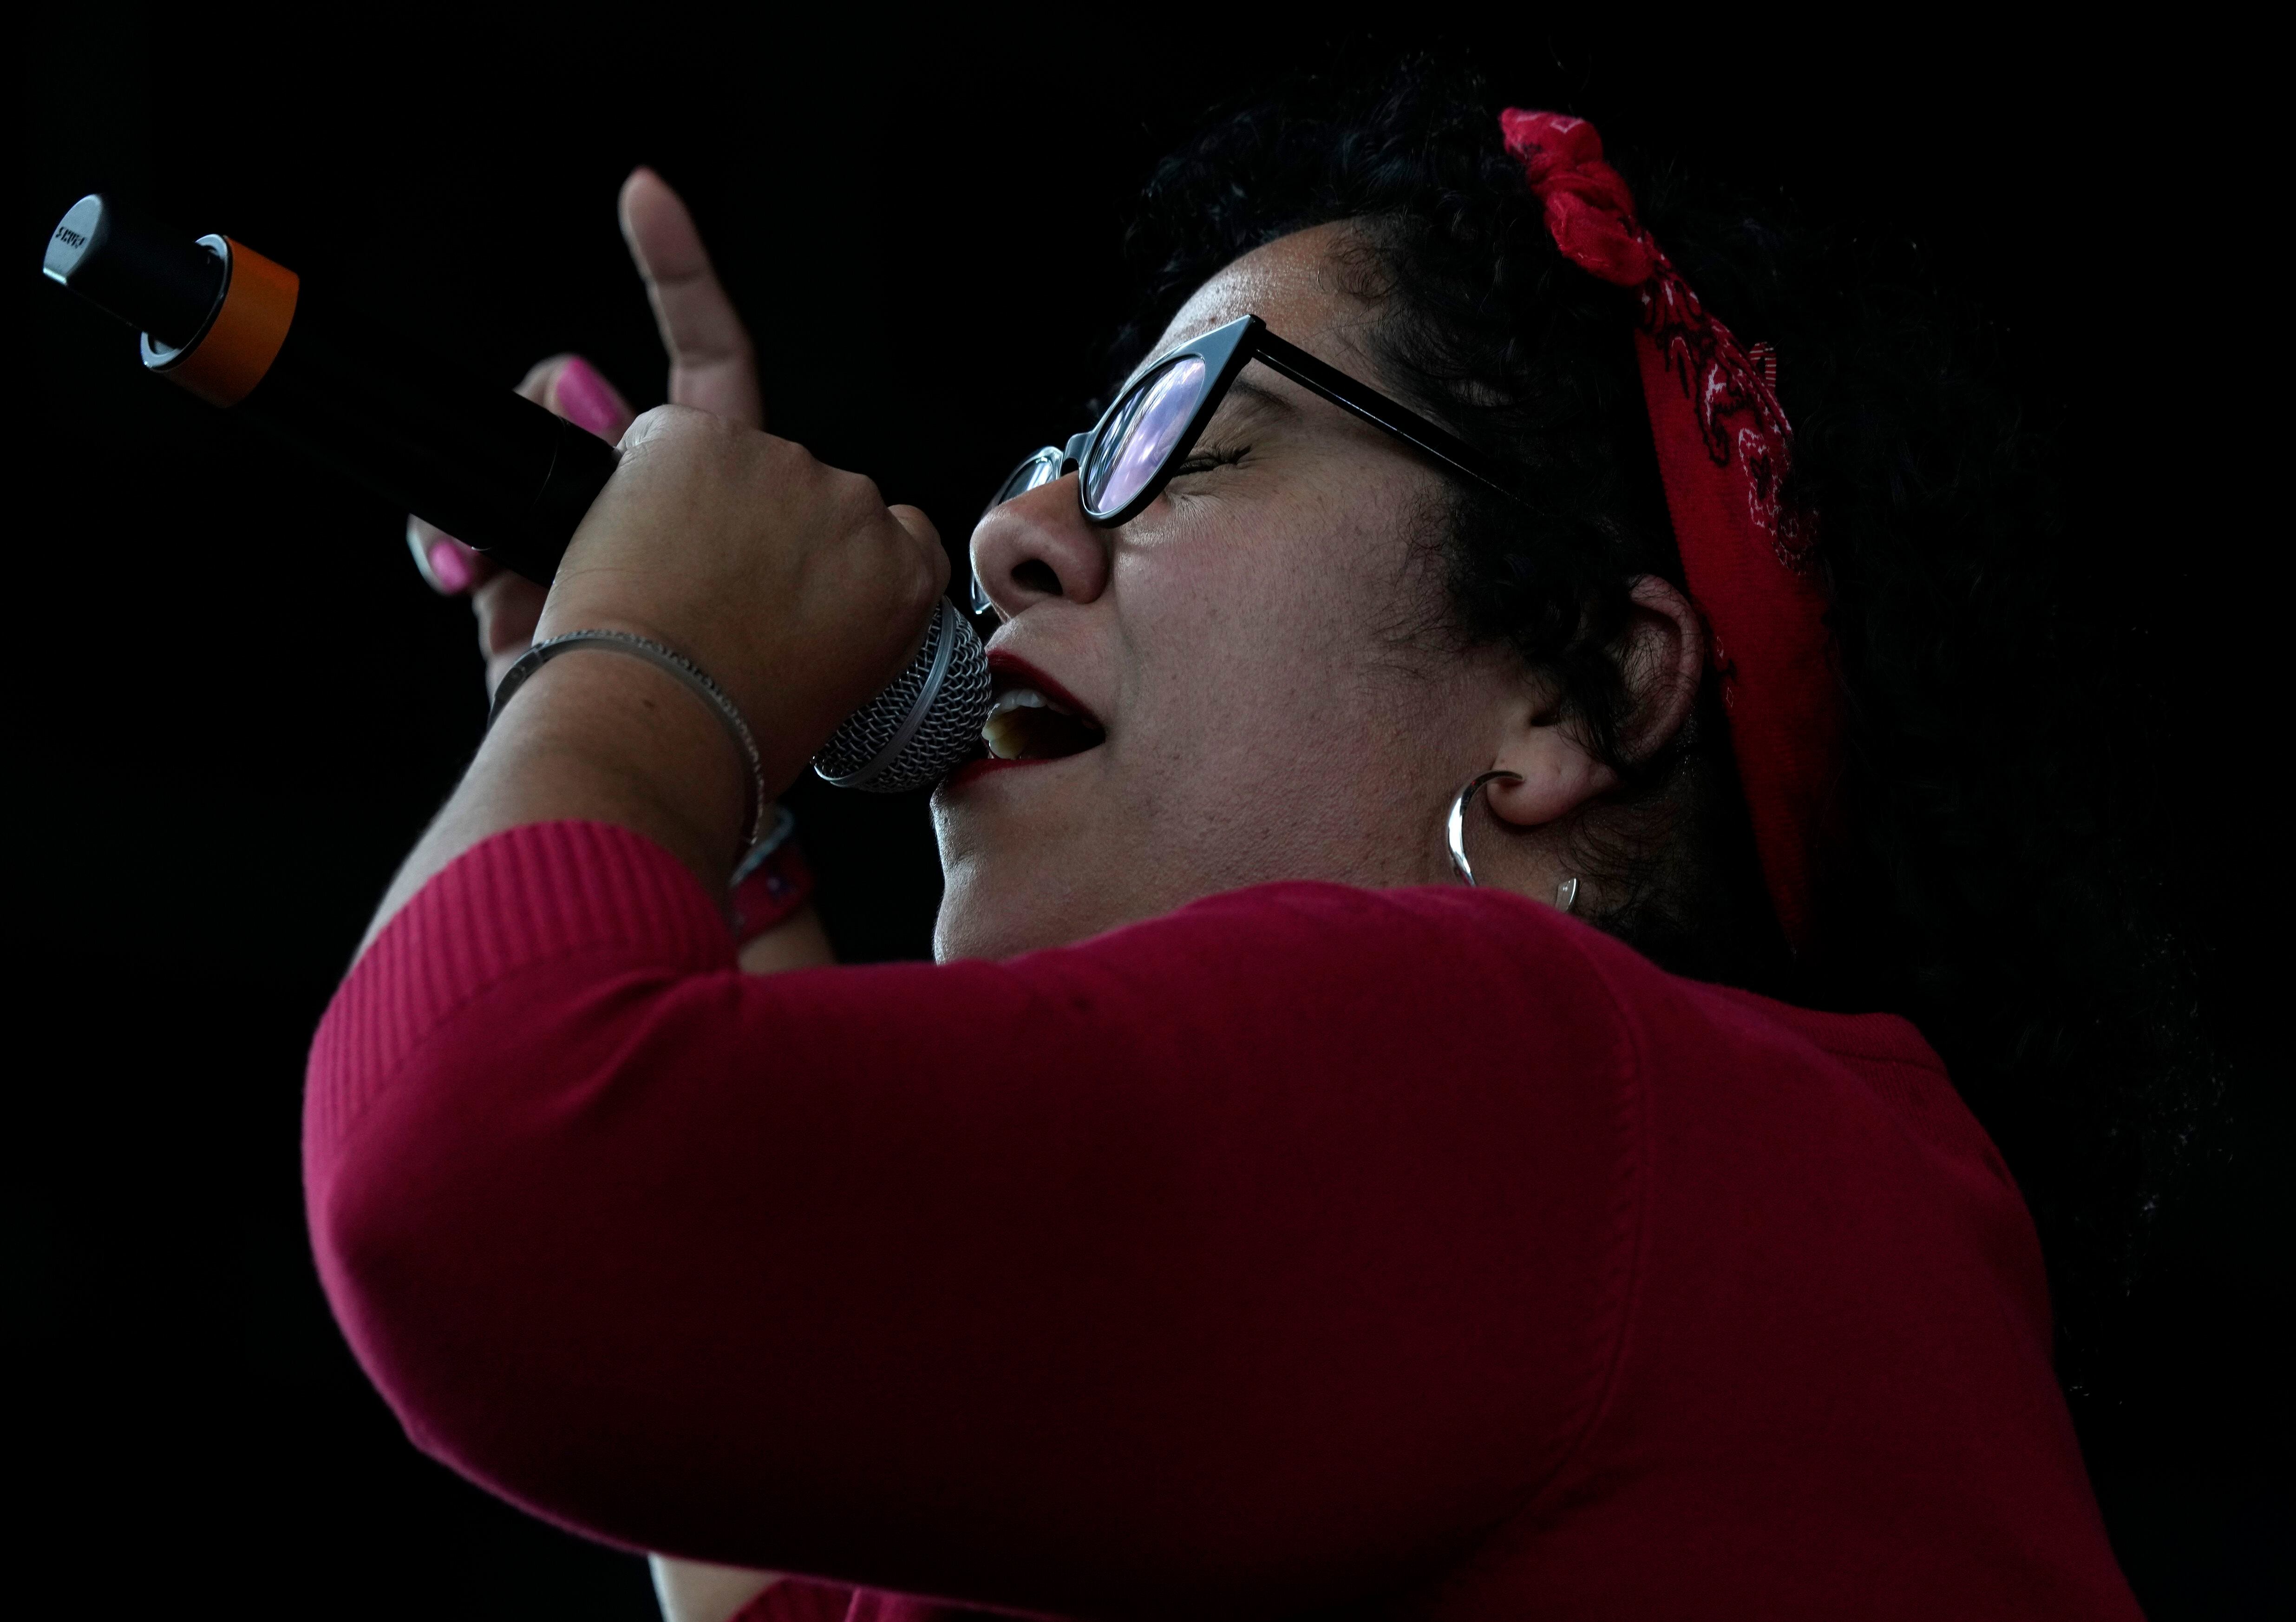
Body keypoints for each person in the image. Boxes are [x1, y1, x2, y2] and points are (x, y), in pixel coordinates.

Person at [317, 65, 2181, 1621]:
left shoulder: (1545, 1082)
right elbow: (783, 1564)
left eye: (1176, 445)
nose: (1012, 533)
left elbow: (471, 1175)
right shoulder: (1603, 1254)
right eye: (1064, 452)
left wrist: (647, 669)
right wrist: (697, 793)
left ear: (1586, 695)